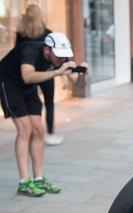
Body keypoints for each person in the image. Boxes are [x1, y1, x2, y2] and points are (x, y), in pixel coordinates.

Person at [0, 32, 87, 196]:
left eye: (64, 56)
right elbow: (27, 76)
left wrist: (82, 74)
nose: (62, 59)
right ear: (47, 50)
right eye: (58, 55)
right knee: (25, 129)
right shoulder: (29, 50)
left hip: (28, 88)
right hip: (9, 84)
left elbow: (79, 85)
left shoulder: (61, 58)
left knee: (38, 129)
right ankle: (24, 182)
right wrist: (57, 72)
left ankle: (38, 178)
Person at [15, 5, 62, 146]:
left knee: (30, 102)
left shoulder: (21, 34)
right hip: (46, 72)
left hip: (29, 73)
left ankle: (31, 132)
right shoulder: (47, 33)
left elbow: (17, 53)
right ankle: (50, 134)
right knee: (49, 103)